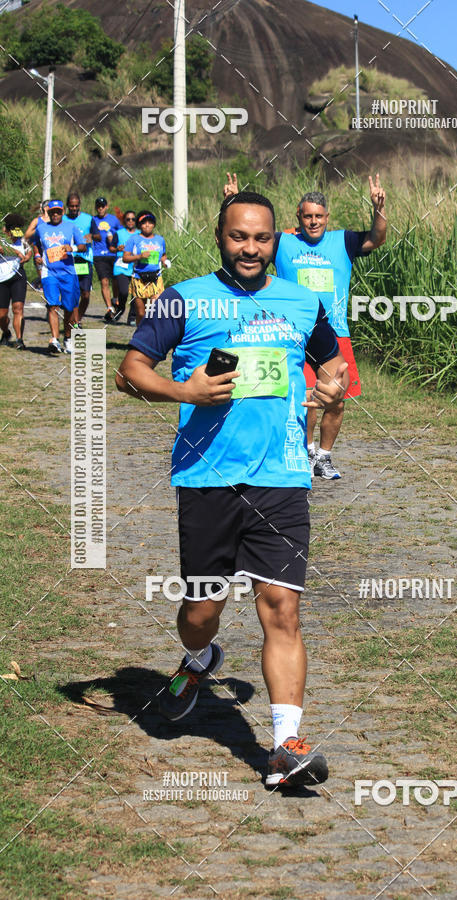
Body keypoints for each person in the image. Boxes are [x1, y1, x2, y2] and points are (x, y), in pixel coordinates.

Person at [116, 191, 349, 787]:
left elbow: (332, 366)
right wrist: (184, 392)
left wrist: (329, 388)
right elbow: (131, 373)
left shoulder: (303, 302)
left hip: (282, 478)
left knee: (283, 609)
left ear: (277, 240)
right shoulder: (183, 299)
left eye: (262, 238)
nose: (251, 248)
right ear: (220, 236)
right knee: (202, 610)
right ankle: (200, 658)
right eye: (239, 236)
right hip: (207, 480)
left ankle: (284, 747)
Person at [224, 172, 386, 479]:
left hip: (335, 332)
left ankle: (324, 457)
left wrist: (378, 208)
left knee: (335, 399)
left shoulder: (344, 240)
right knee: (305, 396)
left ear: (327, 217)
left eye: (319, 216)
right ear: (298, 217)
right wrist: (232, 201)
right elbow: (245, 240)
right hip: (292, 333)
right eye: (307, 216)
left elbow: (377, 238)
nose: (313, 222)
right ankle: (304, 452)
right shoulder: (282, 241)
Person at [33, 199, 86, 354]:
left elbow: (83, 246)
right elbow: (35, 243)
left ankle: (68, 338)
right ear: (48, 213)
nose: (55, 214)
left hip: (68, 273)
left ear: (62, 212)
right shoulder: (41, 228)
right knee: (53, 305)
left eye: (58, 211)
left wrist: (73, 247)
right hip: (49, 273)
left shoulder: (71, 227)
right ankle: (54, 340)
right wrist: (37, 254)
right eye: (52, 212)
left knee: (69, 308)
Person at [122, 210, 167, 326]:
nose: (147, 225)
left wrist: (165, 262)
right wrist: (139, 256)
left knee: (155, 310)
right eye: (144, 222)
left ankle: (153, 338)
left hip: (156, 278)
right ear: (139, 225)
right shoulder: (133, 239)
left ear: (154, 224)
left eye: (150, 222)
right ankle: (141, 336)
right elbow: (125, 258)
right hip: (139, 279)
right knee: (141, 314)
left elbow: (163, 255)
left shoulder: (160, 240)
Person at [0, 214, 31, 350]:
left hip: (18, 277)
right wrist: (18, 254)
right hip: (2, 279)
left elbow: (29, 250)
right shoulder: (2, 240)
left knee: (18, 308)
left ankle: (19, 340)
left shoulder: (22, 240)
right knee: (2, 315)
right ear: (5, 230)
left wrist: (27, 257)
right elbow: (2, 249)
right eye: (13, 232)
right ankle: (6, 333)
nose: (15, 236)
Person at [90, 197, 120, 322]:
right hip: (99, 255)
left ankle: (116, 300)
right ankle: (109, 308)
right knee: (104, 281)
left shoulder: (114, 220)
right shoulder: (93, 220)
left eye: (102, 206)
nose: (100, 208)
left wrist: (113, 240)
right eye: (98, 206)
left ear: (107, 206)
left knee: (116, 281)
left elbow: (121, 234)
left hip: (113, 254)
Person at [65, 192, 93, 321]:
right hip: (69, 261)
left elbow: (98, 236)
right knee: (72, 293)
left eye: (76, 206)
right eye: (71, 206)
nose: (74, 209)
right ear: (67, 206)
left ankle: (78, 318)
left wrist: (92, 236)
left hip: (84, 260)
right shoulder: (63, 220)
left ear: (79, 205)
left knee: (85, 295)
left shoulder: (88, 219)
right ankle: (75, 321)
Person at [112, 210, 138, 322]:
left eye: (133, 219)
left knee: (135, 293)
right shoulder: (119, 233)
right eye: (128, 219)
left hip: (135, 266)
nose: (130, 221)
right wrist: (117, 249)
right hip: (121, 265)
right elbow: (111, 248)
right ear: (124, 221)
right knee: (123, 291)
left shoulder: (140, 234)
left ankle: (132, 317)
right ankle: (120, 308)